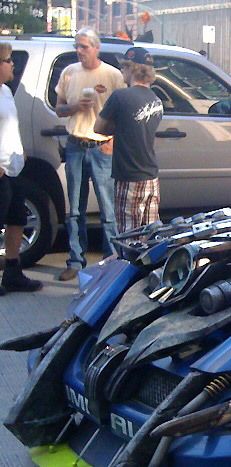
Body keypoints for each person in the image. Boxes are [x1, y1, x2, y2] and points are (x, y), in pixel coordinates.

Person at [54, 28, 125, 281]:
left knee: (108, 210)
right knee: (75, 209)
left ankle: (110, 262)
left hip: (102, 147)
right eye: (77, 46)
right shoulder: (69, 72)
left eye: (84, 46)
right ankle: (75, 260)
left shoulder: (112, 75)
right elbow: (59, 109)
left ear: (96, 48)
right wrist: (74, 106)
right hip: (76, 145)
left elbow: (123, 112)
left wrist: (113, 140)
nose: (79, 51)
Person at [94, 47, 163, 235]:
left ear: (132, 68)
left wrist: (116, 127)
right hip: (151, 176)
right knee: (151, 234)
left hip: (128, 175)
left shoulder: (120, 96)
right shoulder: (156, 100)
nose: (121, 71)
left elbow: (98, 127)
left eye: (124, 67)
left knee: (129, 234)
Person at [0, 42, 41, 294]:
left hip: (13, 167)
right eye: (8, 60)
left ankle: (12, 273)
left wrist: (20, 150)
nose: (12, 64)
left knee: (17, 219)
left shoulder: (5, 91)